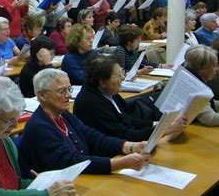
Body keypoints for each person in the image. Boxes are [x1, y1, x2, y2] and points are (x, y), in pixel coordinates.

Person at [18, 68, 150, 176]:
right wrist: (118, 163)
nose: (69, 95)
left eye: (69, 89)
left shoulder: (64, 115)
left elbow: (93, 137)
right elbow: (70, 162)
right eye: (62, 91)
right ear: (42, 95)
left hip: (82, 178)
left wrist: (129, 146)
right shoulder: (39, 127)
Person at [74, 56, 186, 141]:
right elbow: (124, 135)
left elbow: (128, 120)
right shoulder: (91, 104)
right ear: (102, 81)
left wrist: (158, 124)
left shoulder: (109, 92)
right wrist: (163, 130)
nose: (123, 78)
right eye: (118, 75)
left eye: (122, 73)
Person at [183, 45, 219, 126]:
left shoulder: (188, 76)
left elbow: (208, 103)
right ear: (201, 68)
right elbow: (210, 119)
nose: (217, 69)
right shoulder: (194, 86)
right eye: (214, 65)